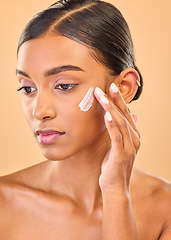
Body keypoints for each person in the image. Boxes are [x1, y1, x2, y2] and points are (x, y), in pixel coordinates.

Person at [0, 0, 170, 239]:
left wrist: (116, 194)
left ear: (123, 87)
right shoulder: (4, 204)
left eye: (64, 85)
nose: (39, 111)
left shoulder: (165, 210)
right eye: (28, 88)